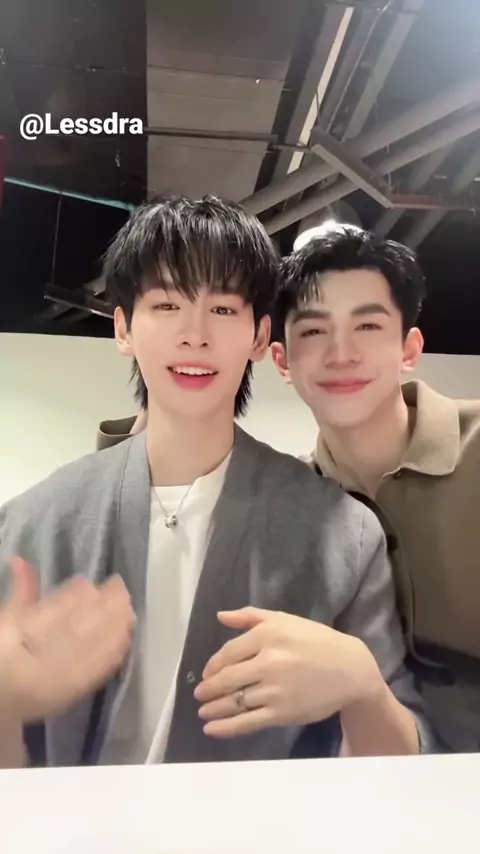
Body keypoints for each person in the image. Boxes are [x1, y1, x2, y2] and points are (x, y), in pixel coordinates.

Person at [0, 197, 433, 770]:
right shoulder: (30, 525)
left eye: (223, 309)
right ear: (124, 328)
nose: (194, 335)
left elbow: (404, 766)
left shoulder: (342, 534)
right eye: (167, 304)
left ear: (259, 336)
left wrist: (361, 686)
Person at [271, 223, 480, 753]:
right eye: (313, 332)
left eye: (367, 325)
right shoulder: (292, 502)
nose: (341, 353)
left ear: (409, 348)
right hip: (385, 778)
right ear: (282, 361)